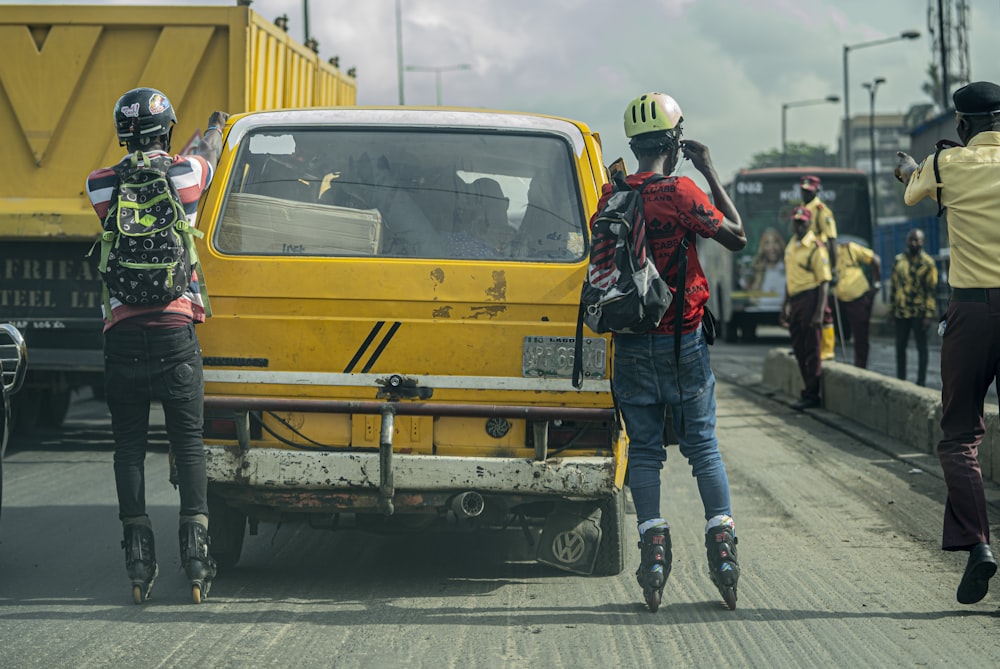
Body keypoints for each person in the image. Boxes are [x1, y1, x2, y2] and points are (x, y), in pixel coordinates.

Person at [599, 92, 747, 610]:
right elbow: (737, 237)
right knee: (702, 446)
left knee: (643, 452)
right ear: (675, 141)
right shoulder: (681, 191)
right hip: (683, 343)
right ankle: (722, 550)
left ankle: (654, 552)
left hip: (632, 343)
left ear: (634, 144)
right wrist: (708, 168)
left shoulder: (611, 195)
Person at [85, 87, 227, 603]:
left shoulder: (99, 185)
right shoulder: (187, 175)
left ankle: (138, 560)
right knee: (187, 443)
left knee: (128, 447)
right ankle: (196, 556)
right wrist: (213, 125)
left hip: (122, 335)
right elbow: (207, 153)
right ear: (167, 130)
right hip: (175, 332)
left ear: (122, 134)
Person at [896, 80, 1000, 605]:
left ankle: (978, 544)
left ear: (961, 125)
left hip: (972, 309)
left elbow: (914, 190)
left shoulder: (947, 165)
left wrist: (910, 168)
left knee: (960, 436)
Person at [779, 206, 831, 411]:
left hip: (811, 298)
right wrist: (785, 305)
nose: (798, 225)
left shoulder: (815, 247)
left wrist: (819, 312)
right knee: (799, 348)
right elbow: (789, 277)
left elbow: (824, 282)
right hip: (796, 300)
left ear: (809, 223)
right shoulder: (791, 244)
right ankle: (807, 389)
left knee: (812, 349)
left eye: (802, 222)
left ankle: (811, 394)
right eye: (796, 221)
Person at [888, 229, 938, 387]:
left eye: (917, 240)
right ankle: (901, 380)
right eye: (911, 240)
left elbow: (931, 290)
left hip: (919, 312)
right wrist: (891, 309)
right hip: (901, 312)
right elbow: (894, 286)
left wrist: (929, 314)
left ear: (923, 242)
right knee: (900, 346)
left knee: (921, 347)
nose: (913, 243)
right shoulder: (899, 260)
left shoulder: (928, 263)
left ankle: (921, 381)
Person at [799, 175, 838, 360]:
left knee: (825, 309)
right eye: (803, 190)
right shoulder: (802, 209)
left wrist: (834, 267)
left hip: (819, 259)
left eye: (809, 190)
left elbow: (831, 240)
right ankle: (810, 347)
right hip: (806, 262)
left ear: (816, 191)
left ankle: (827, 349)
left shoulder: (822, 211)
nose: (805, 193)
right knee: (808, 305)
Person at [833, 239, 881, 368]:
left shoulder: (849, 248)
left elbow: (875, 260)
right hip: (838, 299)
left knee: (860, 337)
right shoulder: (823, 256)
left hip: (858, 297)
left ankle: (860, 366)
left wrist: (876, 284)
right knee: (838, 334)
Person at [747, 227, 786, 309]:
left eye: (775, 242)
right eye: (767, 243)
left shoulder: (788, 268)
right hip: (762, 315)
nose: (772, 247)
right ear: (763, 247)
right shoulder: (757, 270)